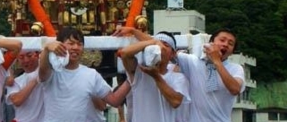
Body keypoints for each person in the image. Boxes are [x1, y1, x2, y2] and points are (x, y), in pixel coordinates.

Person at [114, 27, 245, 122]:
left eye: (230, 43)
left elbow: (235, 89)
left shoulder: (235, 68)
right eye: (222, 40)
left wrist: (216, 61)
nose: (225, 44)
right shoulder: (193, 62)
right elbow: (164, 47)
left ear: (232, 51)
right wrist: (134, 31)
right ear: (211, 42)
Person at [38, 27, 131, 122]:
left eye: (79, 44)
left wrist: (132, 77)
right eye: (71, 43)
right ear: (60, 45)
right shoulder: (52, 71)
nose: (75, 47)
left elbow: (114, 100)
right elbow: (43, 72)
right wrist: (46, 49)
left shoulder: (91, 75)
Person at [120, 31, 190, 122]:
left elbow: (175, 102)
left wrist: (156, 77)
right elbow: (125, 53)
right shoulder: (139, 72)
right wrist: (153, 42)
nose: (159, 48)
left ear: (172, 54)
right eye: (157, 45)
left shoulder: (179, 78)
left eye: (166, 45)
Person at [5, 50, 44, 122]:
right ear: (17, 60)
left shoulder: (47, 72)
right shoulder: (15, 81)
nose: (26, 60)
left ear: (37, 55)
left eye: (29, 56)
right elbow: (17, 100)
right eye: (21, 57)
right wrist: (36, 80)